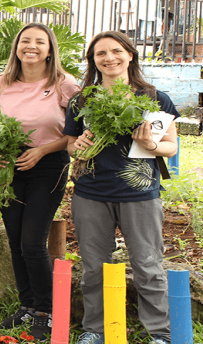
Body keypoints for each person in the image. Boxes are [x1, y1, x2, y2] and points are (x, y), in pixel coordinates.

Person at [63, 31, 179, 344]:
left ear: (130, 54)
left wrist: (149, 142)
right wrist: (80, 146)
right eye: (101, 53)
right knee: (94, 267)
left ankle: (159, 332)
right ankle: (95, 330)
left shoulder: (154, 98)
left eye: (116, 51)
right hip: (91, 194)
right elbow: (71, 145)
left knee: (148, 265)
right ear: (93, 61)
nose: (109, 58)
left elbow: (170, 147)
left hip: (139, 194)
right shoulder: (82, 99)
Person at [0, 23, 80, 340]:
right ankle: (26, 304)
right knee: (14, 241)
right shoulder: (0, 83)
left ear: (50, 49)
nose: (32, 46)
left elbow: (75, 134)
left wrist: (41, 151)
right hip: (8, 167)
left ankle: (46, 310)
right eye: (25, 41)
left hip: (48, 165)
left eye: (40, 42)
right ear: (16, 47)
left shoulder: (65, 85)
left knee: (32, 242)